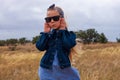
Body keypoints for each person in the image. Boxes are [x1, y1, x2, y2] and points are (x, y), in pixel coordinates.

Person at [36, 4, 80, 80]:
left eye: (55, 18)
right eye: (48, 19)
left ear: (61, 19)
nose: (52, 21)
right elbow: (40, 47)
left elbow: (68, 44)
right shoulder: (48, 35)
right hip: (46, 70)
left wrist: (62, 30)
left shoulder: (69, 35)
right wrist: (46, 33)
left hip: (64, 70)